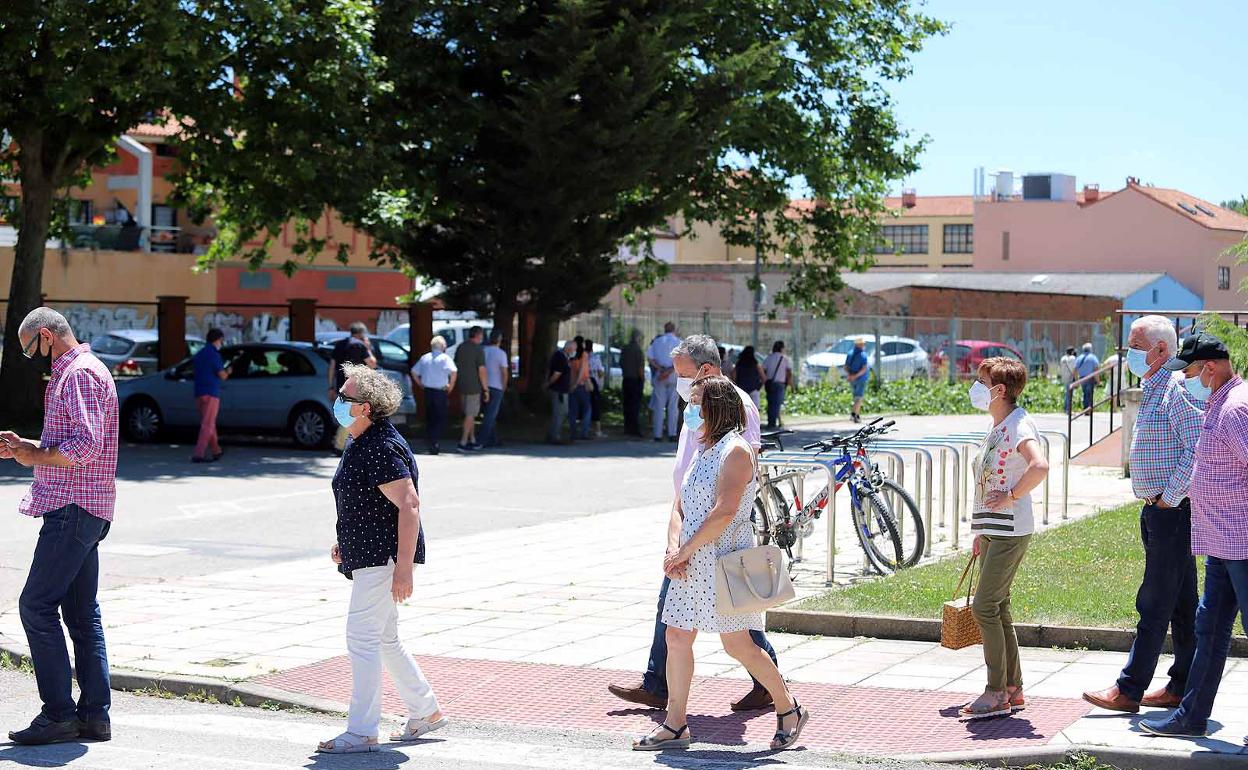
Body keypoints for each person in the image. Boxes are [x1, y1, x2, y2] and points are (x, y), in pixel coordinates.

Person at [632, 375, 808, 752]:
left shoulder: (737, 451)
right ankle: (676, 724)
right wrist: (673, 548)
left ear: (716, 407)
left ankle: (788, 707)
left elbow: (725, 511)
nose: (689, 409)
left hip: (722, 562)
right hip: (690, 561)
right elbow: (680, 505)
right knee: (676, 636)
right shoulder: (703, 448)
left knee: (739, 645)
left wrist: (686, 551)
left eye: (696, 401)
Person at [609, 335, 780, 714]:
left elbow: (736, 477)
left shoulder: (732, 406)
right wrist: (677, 537)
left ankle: (779, 695)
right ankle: (663, 692)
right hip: (690, 528)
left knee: (738, 633)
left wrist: (687, 544)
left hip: (717, 536)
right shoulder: (698, 403)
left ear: (705, 370)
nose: (678, 381)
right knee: (679, 624)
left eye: (683, 374)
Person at [3, 307, 118, 746]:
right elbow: (74, 440)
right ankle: (93, 717)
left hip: (73, 507)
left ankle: (58, 715)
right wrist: (29, 447)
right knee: (81, 613)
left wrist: (35, 457)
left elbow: (84, 445)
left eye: (33, 349)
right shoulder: (82, 371)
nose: (35, 359)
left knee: (36, 606)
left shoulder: (78, 374)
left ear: (48, 336)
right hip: (84, 507)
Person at [318, 364, 446, 753]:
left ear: (367, 407)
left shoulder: (379, 446)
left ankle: (362, 731)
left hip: (382, 560)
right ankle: (426, 710)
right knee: (385, 639)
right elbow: (366, 501)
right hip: (368, 554)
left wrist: (404, 568)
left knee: (361, 640)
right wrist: (345, 541)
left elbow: (409, 506)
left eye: (345, 397)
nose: (337, 401)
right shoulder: (361, 440)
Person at [1084, 317, 1201, 715]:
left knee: (1153, 603)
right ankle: (1183, 684)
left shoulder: (1176, 389)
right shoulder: (1153, 388)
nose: (1128, 353)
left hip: (1171, 512)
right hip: (1158, 512)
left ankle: (1129, 688)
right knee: (1183, 604)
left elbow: (1197, 447)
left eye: (1136, 346)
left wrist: (1169, 497)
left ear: (1161, 352)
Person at [1141, 332, 1248, 739]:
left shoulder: (1236, 409)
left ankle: (1191, 715)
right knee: (1210, 629)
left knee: (1216, 629)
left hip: (1242, 543)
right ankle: (1191, 716)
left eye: (1188, 370)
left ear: (1210, 367)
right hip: (1224, 543)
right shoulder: (1220, 403)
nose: (1185, 378)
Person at [958, 356, 1049, 720]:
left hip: (1010, 529)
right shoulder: (1000, 425)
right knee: (998, 608)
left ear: (999, 390)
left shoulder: (1018, 425)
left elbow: (1039, 465)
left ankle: (996, 691)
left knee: (984, 607)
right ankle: (1013, 688)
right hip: (994, 531)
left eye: (981, 382)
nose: (975, 388)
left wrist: (1011, 496)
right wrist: (980, 531)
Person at [329, 323, 378, 453]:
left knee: (347, 414)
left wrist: (331, 387)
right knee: (354, 415)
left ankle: (344, 444)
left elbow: (332, 367)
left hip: (342, 385)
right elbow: (372, 364)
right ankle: (339, 445)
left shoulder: (339, 345)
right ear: (361, 333)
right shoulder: (360, 345)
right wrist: (368, 347)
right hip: (356, 386)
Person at [410, 336, 457, 455]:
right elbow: (454, 372)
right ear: (442, 346)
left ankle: (431, 440)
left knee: (430, 417)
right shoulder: (445, 358)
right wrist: (451, 386)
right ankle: (434, 441)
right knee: (440, 417)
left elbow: (414, 372)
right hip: (440, 391)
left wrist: (421, 384)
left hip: (428, 390)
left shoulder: (425, 358)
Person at [191, 328, 230, 463]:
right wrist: (229, 371)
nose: (221, 343)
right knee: (207, 424)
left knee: (209, 423)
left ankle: (216, 450)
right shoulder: (214, 355)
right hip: (211, 393)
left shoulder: (199, 354)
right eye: (221, 341)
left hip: (199, 392)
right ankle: (199, 453)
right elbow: (222, 375)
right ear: (218, 340)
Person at [453, 326, 488, 452]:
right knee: (470, 414)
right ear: (478, 335)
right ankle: (463, 442)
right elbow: (482, 370)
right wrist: (486, 389)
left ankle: (472, 440)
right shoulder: (478, 350)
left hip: (462, 385)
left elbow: (455, 364)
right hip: (474, 387)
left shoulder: (461, 347)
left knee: (469, 415)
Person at [649, 322, 681, 441]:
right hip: (674, 374)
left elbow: (651, 358)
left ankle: (657, 434)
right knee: (673, 406)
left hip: (660, 374)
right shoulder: (679, 342)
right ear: (674, 329)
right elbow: (681, 360)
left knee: (659, 406)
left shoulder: (656, 342)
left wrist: (661, 370)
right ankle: (672, 434)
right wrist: (670, 370)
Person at [478, 330, 509, 448]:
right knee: (490, 416)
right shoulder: (501, 354)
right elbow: (504, 372)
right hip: (497, 386)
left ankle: (493, 439)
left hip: (484, 385)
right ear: (499, 340)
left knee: (489, 413)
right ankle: (482, 440)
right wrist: (504, 386)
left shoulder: (483, 351)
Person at [546, 340, 575, 444]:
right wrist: (549, 383)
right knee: (559, 412)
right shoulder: (560, 357)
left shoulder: (565, 357)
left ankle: (553, 434)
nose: (574, 351)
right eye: (573, 349)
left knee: (562, 412)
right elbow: (556, 374)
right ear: (568, 348)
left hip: (562, 389)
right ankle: (554, 436)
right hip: (559, 389)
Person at [763, 340, 794, 430]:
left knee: (770, 402)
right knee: (777, 403)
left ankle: (770, 421)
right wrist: (790, 384)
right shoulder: (784, 358)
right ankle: (773, 423)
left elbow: (763, 369)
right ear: (781, 348)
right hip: (780, 384)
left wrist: (765, 380)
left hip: (769, 383)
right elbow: (789, 372)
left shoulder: (769, 358)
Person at [620, 330, 646, 437]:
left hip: (626, 379)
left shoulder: (625, 349)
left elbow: (621, 363)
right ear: (638, 338)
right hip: (635, 380)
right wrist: (643, 379)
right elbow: (640, 367)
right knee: (635, 406)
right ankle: (635, 429)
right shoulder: (638, 350)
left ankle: (627, 427)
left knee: (627, 405)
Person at [569, 337, 592, 440]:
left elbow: (571, 370)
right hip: (582, 384)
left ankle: (573, 433)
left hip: (572, 384)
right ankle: (584, 433)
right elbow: (582, 371)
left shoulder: (572, 355)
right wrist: (577, 383)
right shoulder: (584, 355)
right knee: (587, 409)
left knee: (573, 410)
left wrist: (572, 384)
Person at [845, 338, 870, 424]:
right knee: (859, 397)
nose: (864, 345)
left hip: (852, 378)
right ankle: (855, 415)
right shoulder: (863, 355)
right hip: (860, 378)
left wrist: (850, 376)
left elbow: (846, 367)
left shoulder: (850, 353)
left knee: (856, 396)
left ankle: (855, 413)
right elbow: (864, 369)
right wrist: (855, 376)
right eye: (862, 344)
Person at [587, 338, 606, 438]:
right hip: (593, 383)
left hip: (583, 383)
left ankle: (584, 427)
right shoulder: (595, 358)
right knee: (595, 406)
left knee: (585, 405)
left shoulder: (580, 357)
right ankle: (597, 430)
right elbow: (600, 372)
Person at [1073, 343, 1100, 411]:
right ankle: (1089, 409)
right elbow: (1096, 369)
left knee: (1085, 393)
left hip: (1082, 378)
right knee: (1090, 394)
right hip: (1090, 378)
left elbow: (1075, 370)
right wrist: (1098, 380)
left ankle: (1085, 408)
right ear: (1090, 349)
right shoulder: (1093, 357)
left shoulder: (1079, 358)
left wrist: (1077, 380)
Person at [1059, 346, 1077, 413]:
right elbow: (1074, 369)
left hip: (1064, 378)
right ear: (1072, 352)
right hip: (1070, 378)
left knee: (1067, 393)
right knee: (1069, 394)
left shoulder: (1063, 358)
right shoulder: (1072, 358)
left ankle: (1065, 408)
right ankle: (1068, 409)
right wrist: (1076, 378)